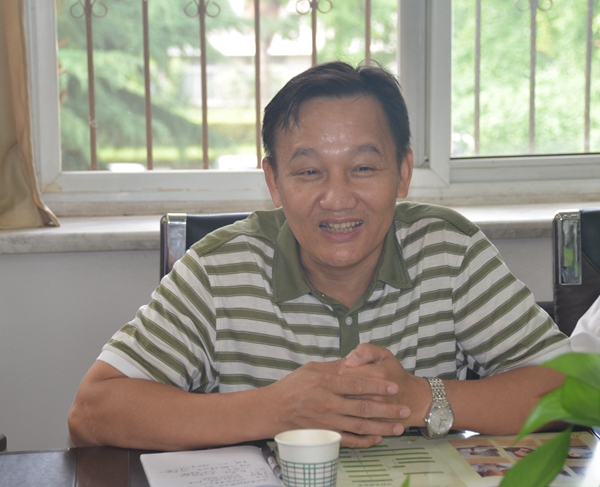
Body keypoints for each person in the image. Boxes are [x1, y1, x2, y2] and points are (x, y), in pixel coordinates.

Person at [68, 61, 570, 451]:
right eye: (309, 172)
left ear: (403, 173)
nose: (337, 198)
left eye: (363, 168)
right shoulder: (218, 269)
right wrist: (278, 409)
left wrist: (421, 397)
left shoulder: (449, 251)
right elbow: (92, 412)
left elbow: (574, 387)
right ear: (273, 182)